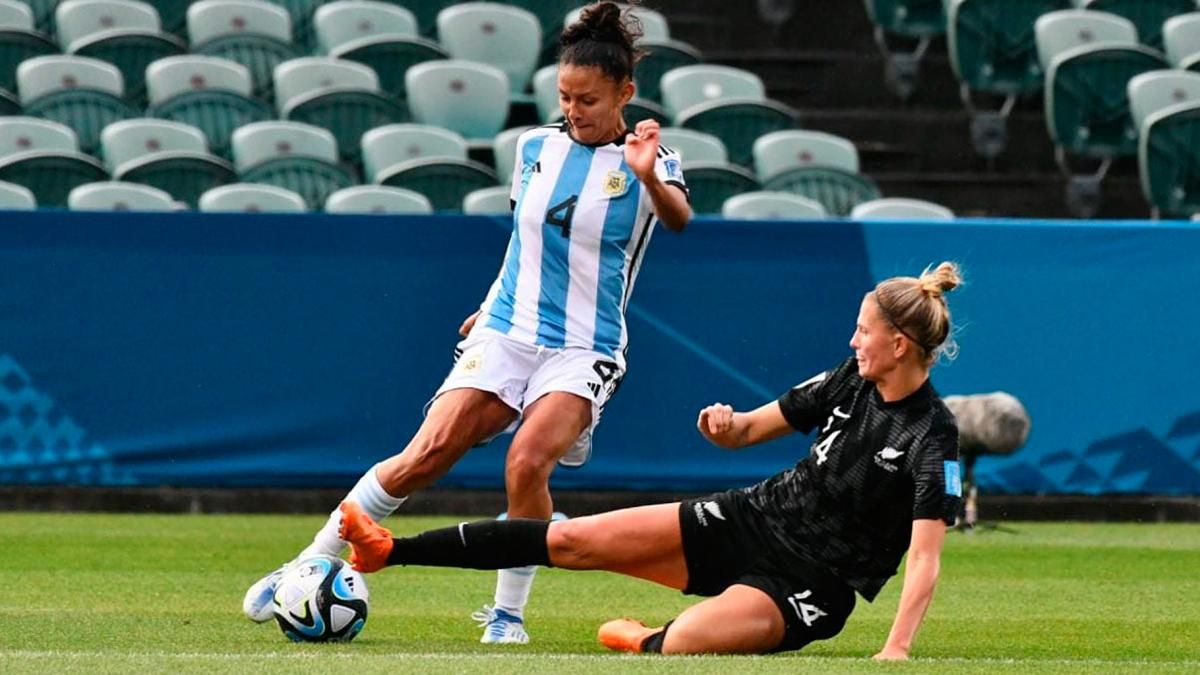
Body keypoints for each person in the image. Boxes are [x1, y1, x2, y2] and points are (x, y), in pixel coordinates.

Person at [242, 1, 691, 645]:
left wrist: (647, 176)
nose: (574, 109)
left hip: (584, 344)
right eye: (565, 96)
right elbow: (524, 243)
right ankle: (306, 564)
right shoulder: (534, 146)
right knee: (425, 455)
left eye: (588, 99)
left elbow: (678, 219)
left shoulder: (651, 159)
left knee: (525, 463)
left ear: (625, 92)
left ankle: (507, 615)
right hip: (508, 327)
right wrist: (490, 302)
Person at [336, 263, 965, 658]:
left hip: (812, 583)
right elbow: (751, 430)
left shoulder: (934, 436)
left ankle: (645, 638)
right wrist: (724, 427)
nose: (853, 340)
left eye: (863, 331)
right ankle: (391, 551)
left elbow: (925, 558)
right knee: (574, 541)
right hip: (752, 518)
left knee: (686, 641)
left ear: (898, 344)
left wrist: (897, 649)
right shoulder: (848, 378)